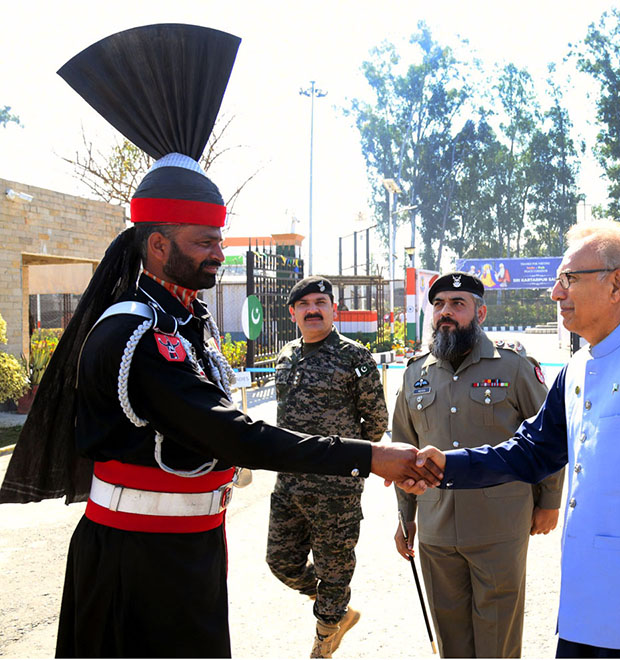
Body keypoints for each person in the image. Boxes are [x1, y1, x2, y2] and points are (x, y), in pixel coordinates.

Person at [0, 25, 439, 658]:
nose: (216, 256)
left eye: (219, 241)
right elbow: (232, 434)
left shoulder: (186, 321)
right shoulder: (133, 333)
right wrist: (370, 455)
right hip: (136, 557)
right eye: (203, 243)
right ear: (157, 244)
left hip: (190, 548)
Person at [413, 221, 620, 659]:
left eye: (569, 279)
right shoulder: (577, 368)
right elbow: (533, 450)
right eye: (558, 280)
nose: (557, 293)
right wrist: (445, 466)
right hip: (584, 617)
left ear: (616, 284)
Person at [392, 272, 565, 658]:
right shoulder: (415, 373)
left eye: (458, 304)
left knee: (497, 639)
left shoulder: (514, 367)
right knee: (451, 641)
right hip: (436, 528)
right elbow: (403, 452)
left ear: (480, 312)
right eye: (438, 305)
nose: (445, 313)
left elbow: (550, 436)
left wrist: (549, 501)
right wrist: (406, 518)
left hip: (499, 525)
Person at [267, 276, 388, 658]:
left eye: (321, 302)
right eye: (304, 305)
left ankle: (326, 635)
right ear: (293, 314)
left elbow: (376, 423)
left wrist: (346, 461)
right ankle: (337, 609)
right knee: (280, 560)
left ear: (334, 310)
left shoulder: (355, 358)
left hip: (336, 487)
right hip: (288, 482)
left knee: (333, 567)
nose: (313, 309)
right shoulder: (286, 356)